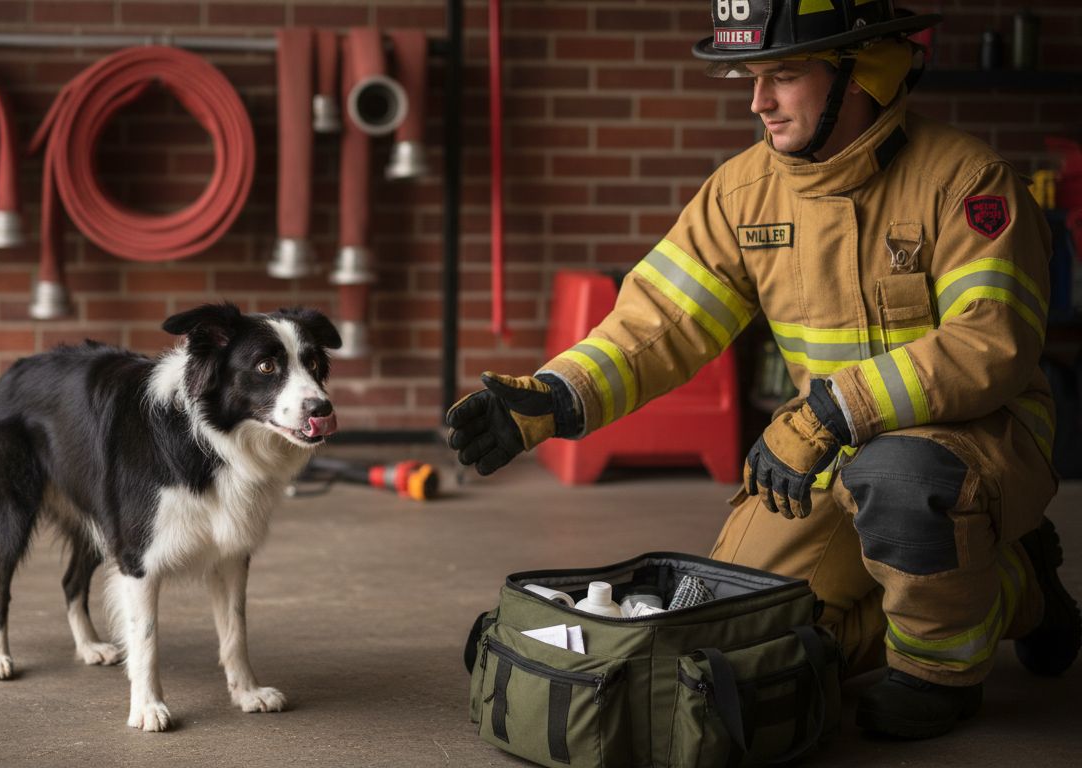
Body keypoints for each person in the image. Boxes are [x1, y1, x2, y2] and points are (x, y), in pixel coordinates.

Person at [446, 0, 1080, 741]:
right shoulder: (743, 194)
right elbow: (659, 321)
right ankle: (997, 579)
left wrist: (829, 412)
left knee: (905, 481)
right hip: (825, 454)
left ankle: (946, 662)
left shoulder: (967, 181)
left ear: (865, 71)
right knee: (742, 644)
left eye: (783, 74)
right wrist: (556, 397)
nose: (758, 101)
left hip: (976, 442)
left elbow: (989, 342)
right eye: (750, 76)